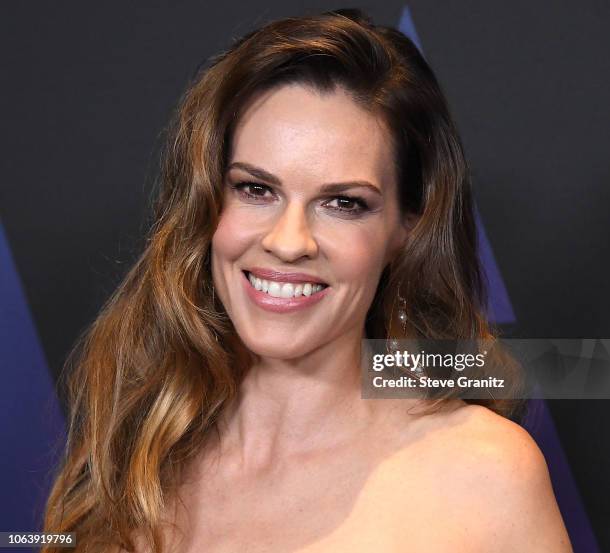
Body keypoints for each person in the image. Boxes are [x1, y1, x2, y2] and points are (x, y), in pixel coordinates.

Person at [42, 9, 572, 553]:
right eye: (255, 189)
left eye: (343, 203)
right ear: (203, 201)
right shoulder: (137, 448)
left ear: (405, 230)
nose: (289, 240)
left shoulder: (484, 475)